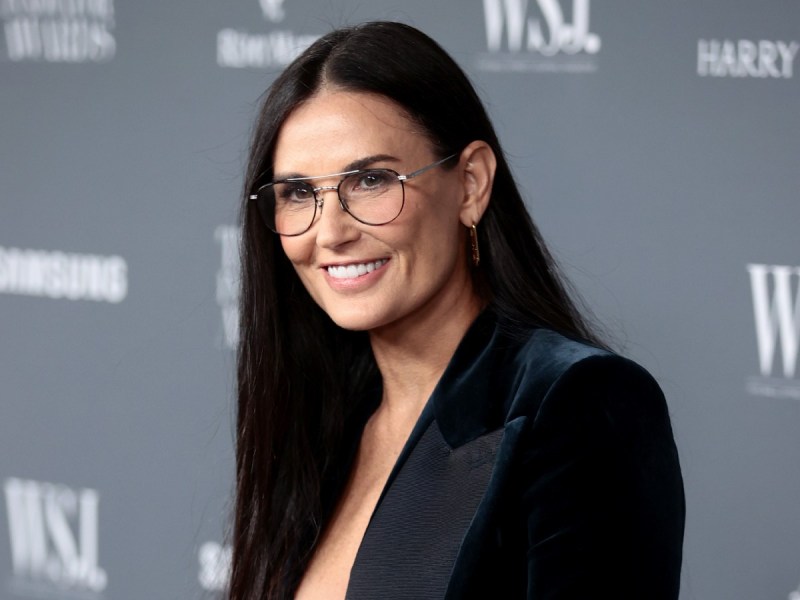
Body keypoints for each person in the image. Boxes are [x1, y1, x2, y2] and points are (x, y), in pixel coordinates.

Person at [230, 21, 685, 600]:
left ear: (470, 184)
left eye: (370, 180)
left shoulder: (576, 404)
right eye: (298, 194)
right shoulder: (318, 418)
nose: (331, 232)